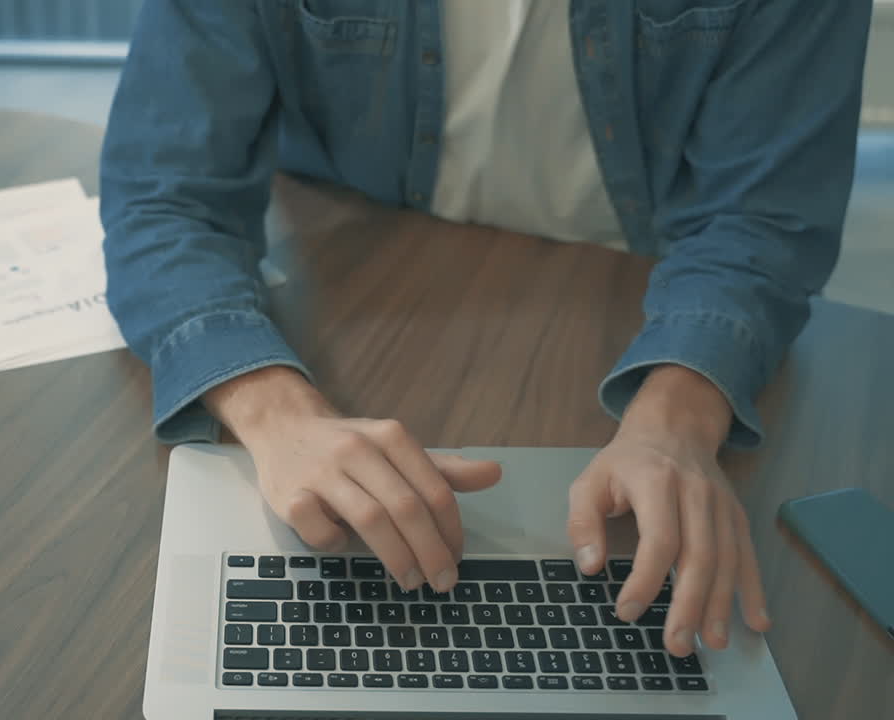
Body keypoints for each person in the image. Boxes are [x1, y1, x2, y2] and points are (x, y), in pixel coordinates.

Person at [98, 0, 871, 659]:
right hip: (366, 286)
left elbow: (765, 218)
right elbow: (166, 197)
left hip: (638, 301)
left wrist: (679, 416)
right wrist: (271, 407)